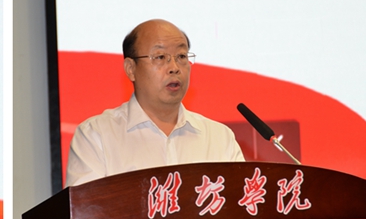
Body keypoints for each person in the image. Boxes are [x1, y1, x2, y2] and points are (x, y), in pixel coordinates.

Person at [65, 19, 243, 187]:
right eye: (160, 57)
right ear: (131, 69)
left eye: (181, 56)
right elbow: (85, 207)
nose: (174, 67)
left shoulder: (220, 138)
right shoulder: (96, 136)